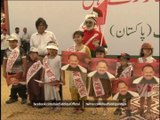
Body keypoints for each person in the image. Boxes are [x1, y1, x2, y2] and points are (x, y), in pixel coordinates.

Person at [3, 34, 27, 104]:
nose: (12, 43)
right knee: (13, 84)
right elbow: (4, 61)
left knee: (21, 84)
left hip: (20, 70)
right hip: (11, 71)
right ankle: (13, 97)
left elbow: (24, 61)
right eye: (10, 42)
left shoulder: (21, 50)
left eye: (13, 42)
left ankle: (23, 97)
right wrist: (4, 71)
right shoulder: (6, 51)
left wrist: (24, 71)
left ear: (17, 42)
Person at [42, 42, 61, 112]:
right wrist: (42, 78)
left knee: (56, 92)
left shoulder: (59, 58)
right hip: (47, 78)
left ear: (56, 50)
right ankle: (50, 105)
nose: (52, 51)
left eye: (53, 49)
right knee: (48, 92)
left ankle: (58, 106)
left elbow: (61, 69)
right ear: (47, 50)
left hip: (55, 79)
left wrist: (63, 79)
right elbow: (44, 69)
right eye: (50, 49)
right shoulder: (45, 58)